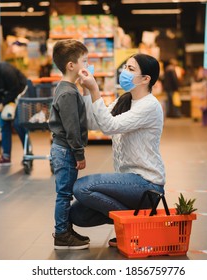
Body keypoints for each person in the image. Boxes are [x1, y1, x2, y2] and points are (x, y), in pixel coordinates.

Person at [71, 53, 166, 247]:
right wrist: (87, 91)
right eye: (125, 67)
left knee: (83, 187)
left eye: (131, 69)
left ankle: (133, 226)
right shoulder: (125, 100)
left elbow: (109, 126)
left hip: (146, 185)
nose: (124, 72)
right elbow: (93, 121)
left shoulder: (149, 106)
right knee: (76, 214)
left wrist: (96, 89)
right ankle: (134, 220)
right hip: (126, 183)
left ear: (146, 79)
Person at [48, 39, 92, 250]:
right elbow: (72, 128)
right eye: (84, 60)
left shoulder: (68, 88)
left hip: (63, 148)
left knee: (65, 192)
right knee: (64, 193)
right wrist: (79, 153)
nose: (87, 64)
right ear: (71, 65)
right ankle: (62, 235)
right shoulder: (67, 92)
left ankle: (65, 228)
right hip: (66, 150)